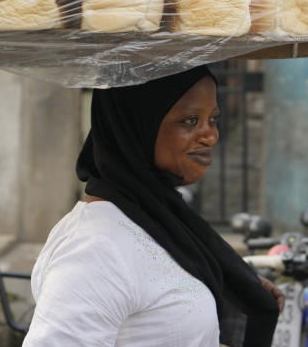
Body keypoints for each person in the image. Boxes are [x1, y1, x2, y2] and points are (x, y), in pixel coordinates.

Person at [23, 66, 281, 347]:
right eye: (191, 120)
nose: (210, 136)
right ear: (136, 126)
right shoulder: (95, 248)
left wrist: (233, 287)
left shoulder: (160, 221)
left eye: (213, 120)